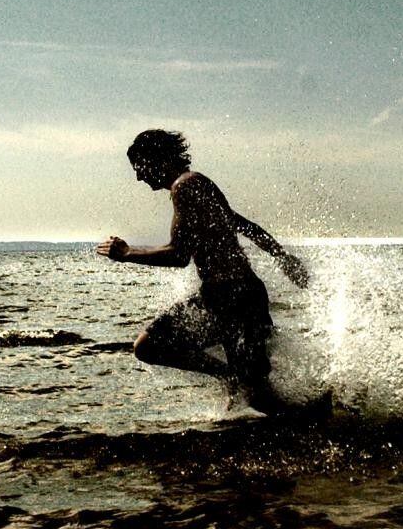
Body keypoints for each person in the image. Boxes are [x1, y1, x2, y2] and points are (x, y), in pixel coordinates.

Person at [97, 129, 314, 415]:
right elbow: (245, 226)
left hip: (235, 299)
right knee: (151, 348)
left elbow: (178, 256)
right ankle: (236, 380)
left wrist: (127, 253)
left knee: (256, 395)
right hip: (227, 296)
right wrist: (282, 257)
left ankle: (322, 417)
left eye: (139, 166)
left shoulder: (185, 187)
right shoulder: (195, 184)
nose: (138, 176)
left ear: (157, 158)